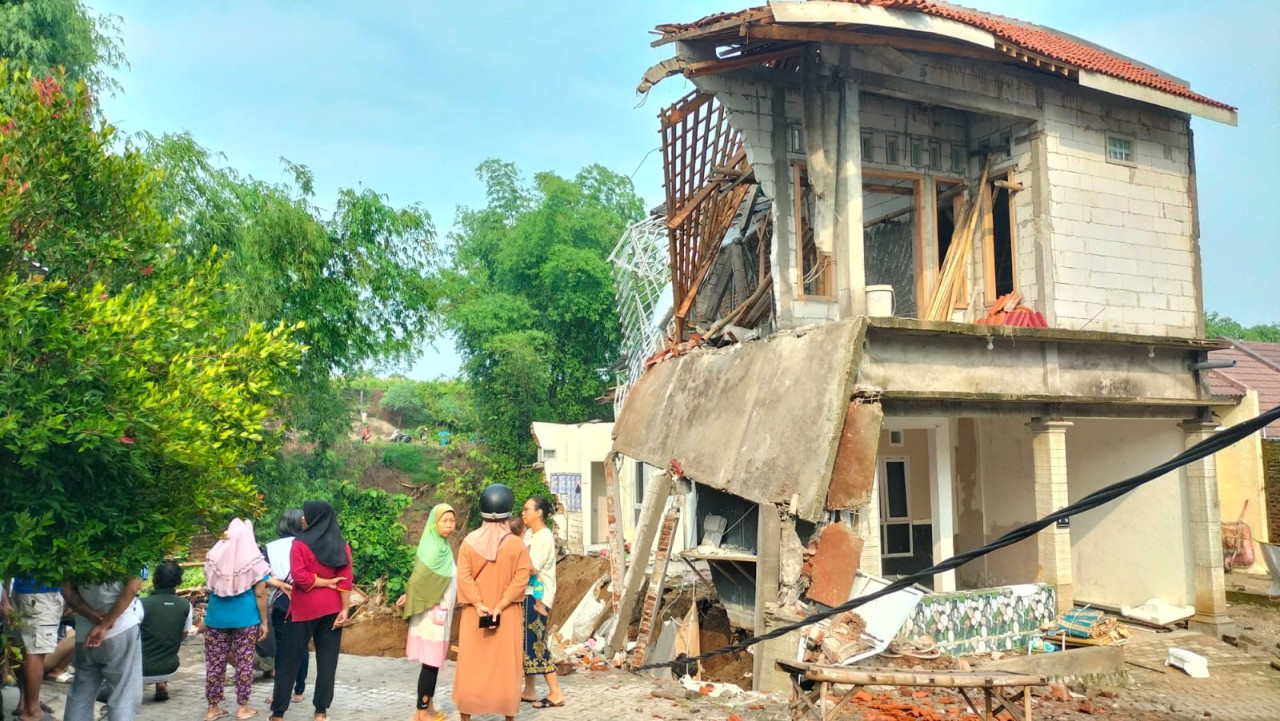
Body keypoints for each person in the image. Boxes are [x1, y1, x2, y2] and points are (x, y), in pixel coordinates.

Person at [452, 484, 532, 721]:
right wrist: (502, 604)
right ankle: (508, 715)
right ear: (508, 510)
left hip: (475, 615)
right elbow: (521, 579)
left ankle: (466, 715)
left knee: (471, 665)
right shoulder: (517, 545)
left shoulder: (469, 542)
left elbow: (463, 577)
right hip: (506, 616)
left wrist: (477, 604)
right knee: (507, 667)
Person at [269, 500, 353, 721]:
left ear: (314, 518)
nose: (303, 519)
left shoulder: (300, 543)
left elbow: (301, 578)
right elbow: (345, 581)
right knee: (327, 662)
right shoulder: (341, 545)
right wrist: (344, 608)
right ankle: (321, 712)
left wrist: (319, 582)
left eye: (306, 515)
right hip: (332, 610)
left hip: (303, 610)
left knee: (288, 660)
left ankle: (278, 714)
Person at [204, 519, 272, 721]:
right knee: (244, 662)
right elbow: (260, 595)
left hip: (216, 618)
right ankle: (243, 708)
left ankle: (213, 708)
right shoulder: (254, 560)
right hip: (246, 619)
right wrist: (264, 623)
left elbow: (210, 585)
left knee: (215, 663)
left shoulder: (214, 556)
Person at [395, 504, 458, 721]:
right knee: (431, 664)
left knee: (434, 662)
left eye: (452, 521)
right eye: (444, 521)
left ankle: (428, 706)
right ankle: (421, 711)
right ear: (435, 522)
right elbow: (418, 579)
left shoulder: (443, 546)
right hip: (433, 616)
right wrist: (410, 595)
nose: (449, 525)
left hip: (441, 612)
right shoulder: (432, 548)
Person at [61, 575, 145, 721]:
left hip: (84, 632)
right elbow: (132, 588)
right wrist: (104, 625)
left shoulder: (72, 552)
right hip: (121, 628)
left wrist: (91, 614)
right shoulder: (136, 552)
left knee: (81, 694)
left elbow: (67, 590)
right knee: (123, 693)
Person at [520, 496, 565, 709]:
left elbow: (531, 568)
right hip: (528, 593)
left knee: (536, 642)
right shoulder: (531, 534)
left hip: (537, 596)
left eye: (527, 509)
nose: (523, 513)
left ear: (539, 513)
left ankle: (555, 692)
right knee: (527, 642)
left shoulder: (544, 537)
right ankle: (529, 690)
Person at [263, 510, 308, 707]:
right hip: (305, 597)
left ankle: (281, 692)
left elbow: (262, 577)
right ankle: (299, 690)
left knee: (282, 647)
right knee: (303, 644)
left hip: (280, 600)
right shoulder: (309, 545)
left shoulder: (269, 548)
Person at [5, 576, 65, 721]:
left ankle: (24, 702)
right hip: (42, 593)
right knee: (35, 652)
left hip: (18, 591)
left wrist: (6, 597)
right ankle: (31, 711)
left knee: (19, 647)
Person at [139, 561, 193, 702]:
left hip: (139, 670)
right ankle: (161, 683)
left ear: (155, 578)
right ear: (178, 581)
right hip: (170, 668)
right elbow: (183, 635)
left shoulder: (140, 604)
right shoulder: (186, 605)